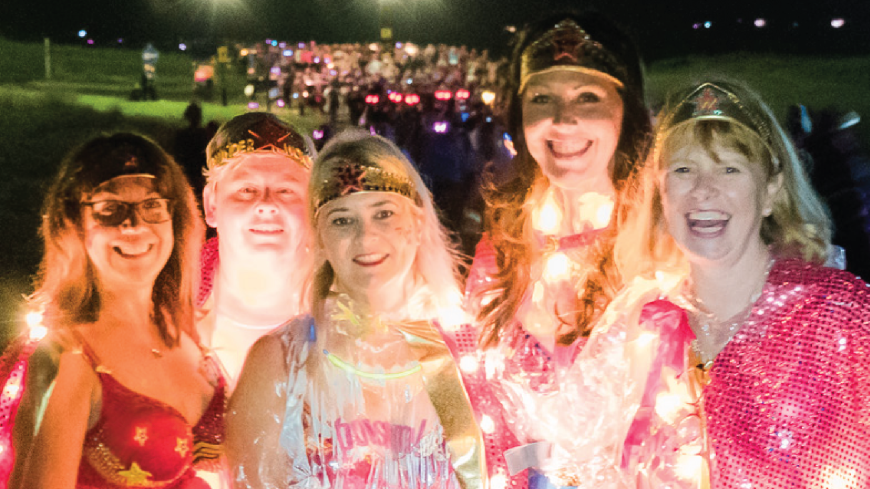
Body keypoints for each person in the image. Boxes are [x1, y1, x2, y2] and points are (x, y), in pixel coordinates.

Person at [617, 79, 870, 487]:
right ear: (660, 193)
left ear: (770, 191)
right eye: (683, 170)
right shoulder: (646, 327)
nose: (704, 191)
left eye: (730, 168)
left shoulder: (835, 316)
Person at [452, 11, 653, 489]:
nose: (564, 120)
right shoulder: (497, 252)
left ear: (626, 112)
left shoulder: (664, 244)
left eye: (588, 97)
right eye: (542, 98)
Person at [225, 131, 485, 489]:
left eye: (383, 213)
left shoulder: (469, 351)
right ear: (319, 236)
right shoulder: (281, 361)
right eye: (342, 220)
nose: (366, 237)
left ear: (418, 222)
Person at [8, 133, 225, 488]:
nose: (134, 226)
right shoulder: (71, 357)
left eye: (152, 206)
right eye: (110, 209)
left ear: (175, 217)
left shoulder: (191, 328)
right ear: (75, 226)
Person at [197, 112, 314, 385]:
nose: (267, 203)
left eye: (286, 190)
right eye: (246, 189)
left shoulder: (353, 311)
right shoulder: (165, 312)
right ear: (211, 205)